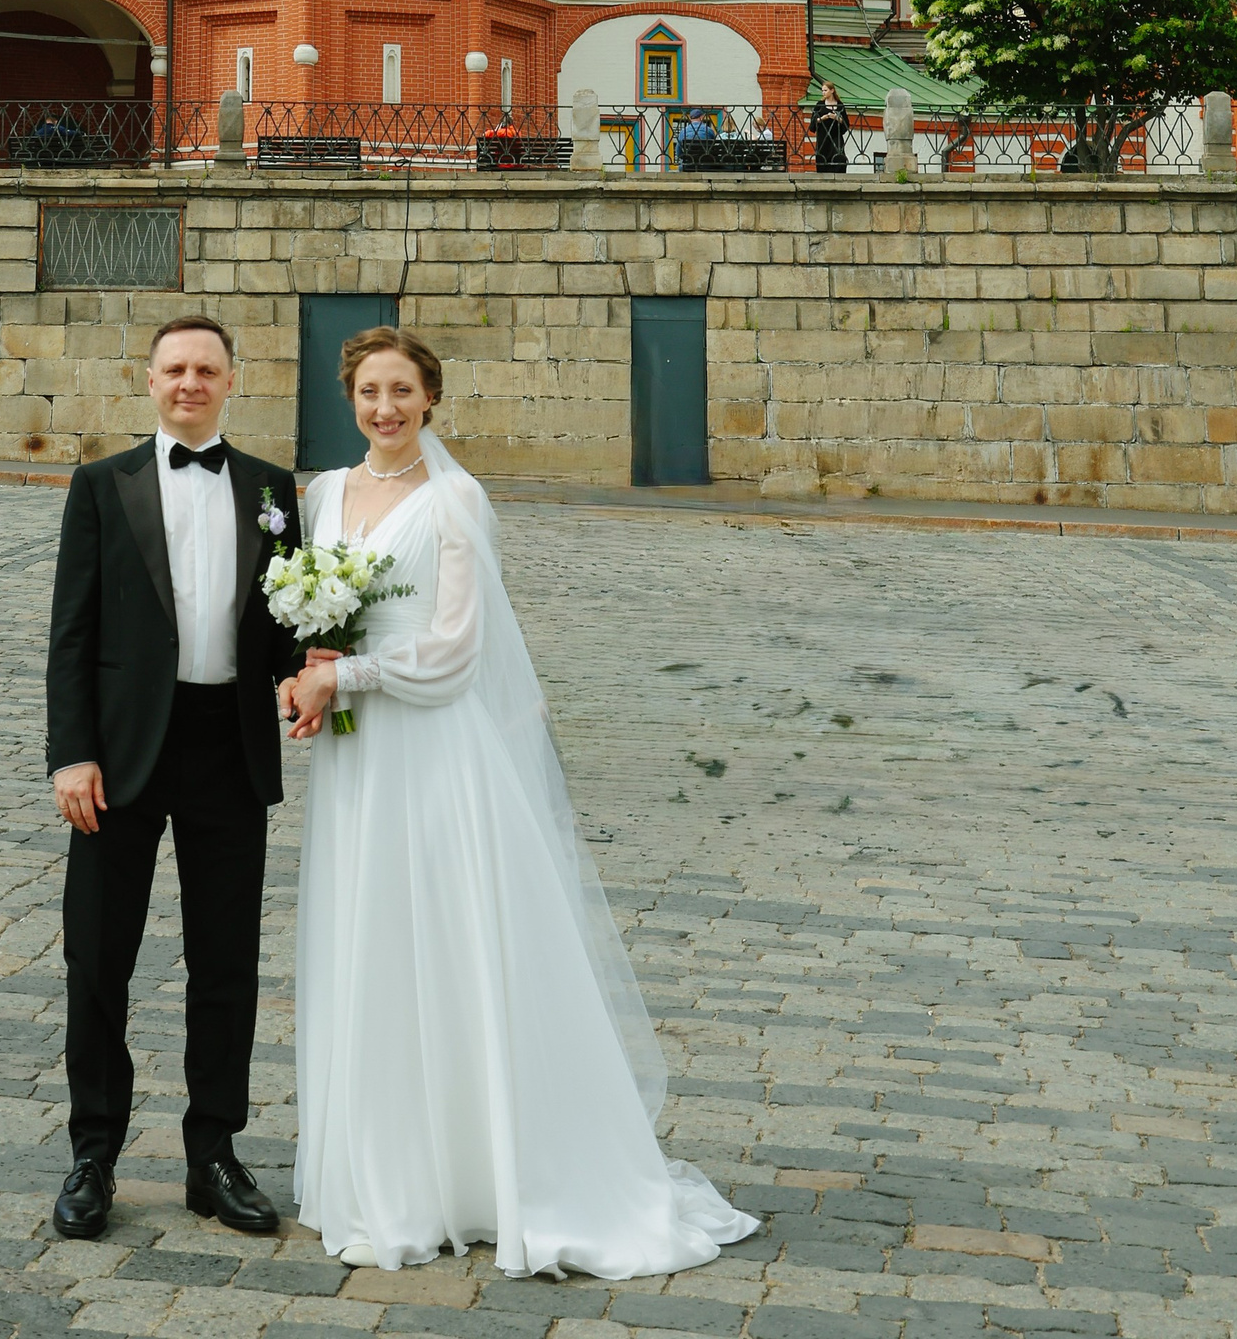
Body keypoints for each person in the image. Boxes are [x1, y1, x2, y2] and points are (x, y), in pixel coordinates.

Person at [281, 329, 757, 1278]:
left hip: (433, 749)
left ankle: (481, 1173)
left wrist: (351, 677)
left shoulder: (456, 500)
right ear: (349, 397)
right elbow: (312, 619)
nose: (385, 408)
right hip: (356, 760)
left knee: (447, 942)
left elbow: (456, 652)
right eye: (370, 391)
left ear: (430, 398)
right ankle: (388, 1177)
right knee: (370, 940)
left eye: (402, 391)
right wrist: (310, 669)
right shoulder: (323, 494)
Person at [45, 316, 302, 1247]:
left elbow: (287, 618)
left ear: (232, 381)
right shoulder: (100, 485)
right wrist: (72, 753)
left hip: (229, 744)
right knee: (98, 958)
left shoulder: (272, 489)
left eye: (207, 369)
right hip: (118, 756)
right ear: (149, 381)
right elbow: (72, 630)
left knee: (226, 962)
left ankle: (214, 1154)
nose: (190, 382)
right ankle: (94, 1154)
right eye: (175, 369)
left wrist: (315, 670)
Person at [807, 78, 851, 175]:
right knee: (823, 157)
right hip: (823, 135)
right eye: (822, 90)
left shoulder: (840, 105)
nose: (823, 93)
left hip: (835, 135)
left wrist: (836, 118)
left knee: (839, 156)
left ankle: (839, 177)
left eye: (825, 90)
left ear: (832, 90)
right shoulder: (820, 105)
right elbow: (813, 122)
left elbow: (846, 123)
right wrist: (823, 118)